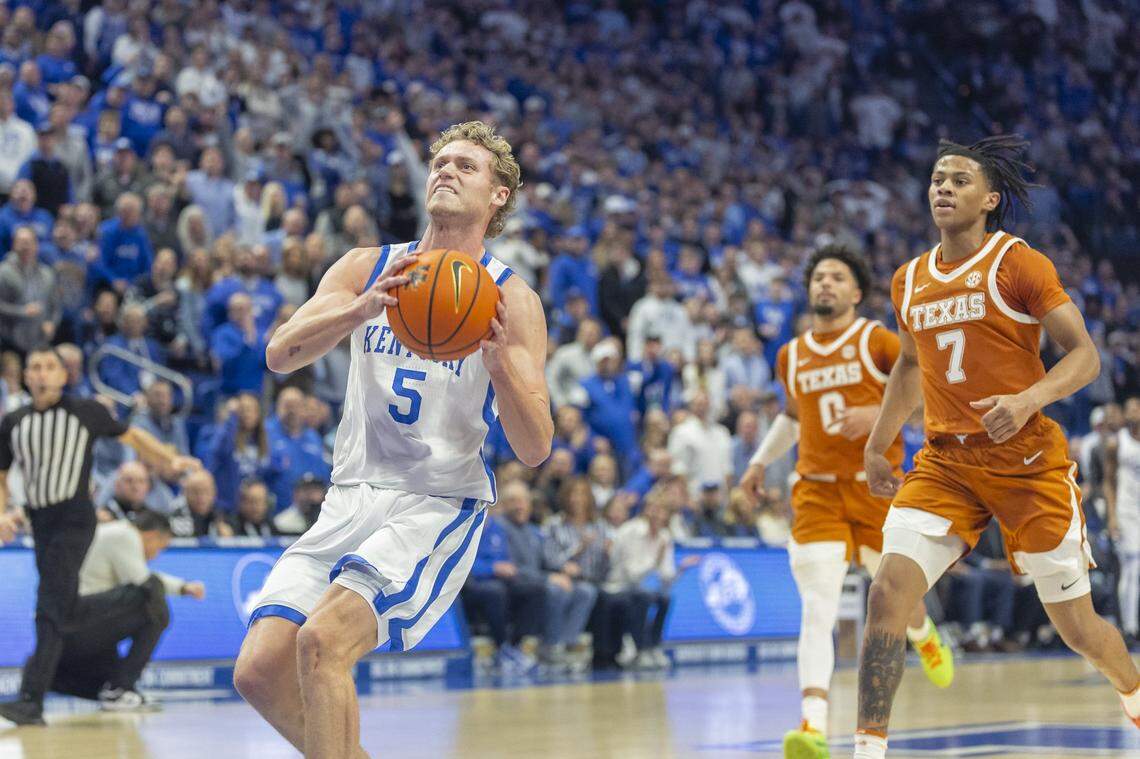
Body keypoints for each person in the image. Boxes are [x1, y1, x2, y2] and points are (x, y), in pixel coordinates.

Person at [233, 121, 552, 758]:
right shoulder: (366, 266)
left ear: (498, 197)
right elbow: (279, 353)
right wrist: (360, 309)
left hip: (434, 502)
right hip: (349, 495)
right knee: (260, 670)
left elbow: (536, 445)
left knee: (322, 645)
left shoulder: (511, 299)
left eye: (467, 166)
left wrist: (500, 369)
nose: (447, 171)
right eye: (441, 162)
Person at [852, 136, 1140, 759]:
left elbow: (1086, 356)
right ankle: (866, 751)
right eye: (936, 179)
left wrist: (1028, 399)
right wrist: (879, 443)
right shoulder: (909, 280)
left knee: (1080, 631)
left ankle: (1134, 693)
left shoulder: (1018, 264)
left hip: (1027, 461)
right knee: (885, 594)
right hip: (947, 462)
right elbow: (908, 365)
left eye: (958, 180)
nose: (943, 189)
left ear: (990, 199)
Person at [739, 245, 953, 757]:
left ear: (856, 293)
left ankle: (924, 635)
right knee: (819, 608)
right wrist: (756, 462)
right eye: (818, 277)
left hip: (876, 487)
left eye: (836, 277)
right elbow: (793, 418)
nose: (825, 285)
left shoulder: (876, 339)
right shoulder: (790, 354)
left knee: (896, 596)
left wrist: (879, 415)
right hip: (815, 491)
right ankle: (812, 726)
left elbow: (926, 389)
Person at [0, 347, 198, 726]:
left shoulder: (85, 411)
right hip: (39, 521)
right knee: (63, 606)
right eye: (35, 367)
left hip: (74, 517)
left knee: (48, 604)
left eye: (49, 367)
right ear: (26, 376)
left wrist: (168, 460)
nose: (42, 374)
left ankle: (30, 701)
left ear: (63, 376)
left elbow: (133, 437)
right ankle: (111, 658)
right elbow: (1, 475)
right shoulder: (13, 422)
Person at [54, 509, 205, 710]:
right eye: (161, 547)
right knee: (153, 607)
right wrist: (181, 588)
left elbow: (143, 576)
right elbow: (144, 582)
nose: (157, 554)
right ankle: (119, 689)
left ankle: (117, 687)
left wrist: (182, 587)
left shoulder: (116, 532)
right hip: (80, 618)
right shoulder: (125, 535)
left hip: (75, 618)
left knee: (150, 596)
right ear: (152, 536)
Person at [1104, 397, 1140, 645]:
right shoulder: (1116, 444)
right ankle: (1129, 627)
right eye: (1129, 409)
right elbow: (1108, 482)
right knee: (1132, 567)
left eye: (1136, 408)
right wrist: (1112, 516)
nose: (1133, 412)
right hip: (1126, 512)